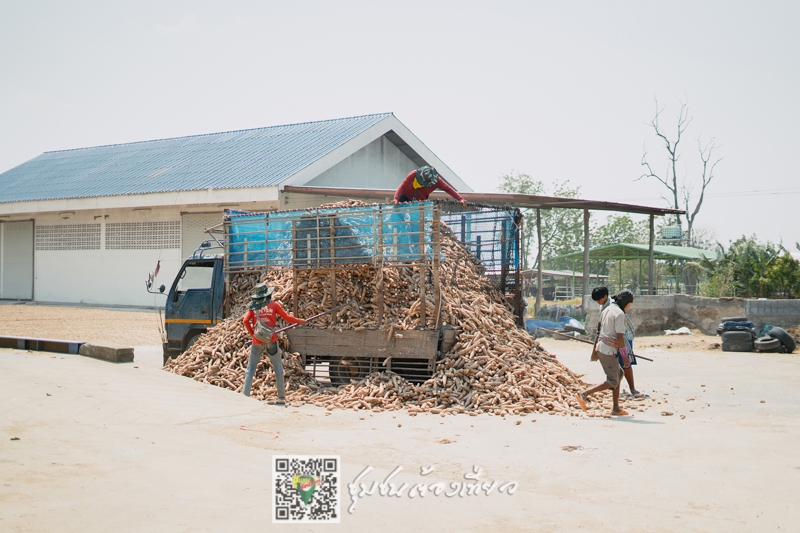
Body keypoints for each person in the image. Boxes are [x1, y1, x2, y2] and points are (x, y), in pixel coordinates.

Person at [242, 283, 306, 404]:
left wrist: (253, 335)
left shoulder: (253, 307)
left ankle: (244, 397)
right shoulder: (274, 305)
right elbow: (287, 318)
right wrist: (299, 321)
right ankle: (281, 397)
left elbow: (245, 321)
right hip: (271, 340)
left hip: (257, 342)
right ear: (268, 294)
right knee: (278, 368)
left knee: (250, 369)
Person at [575, 289, 633, 416]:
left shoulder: (607, 309)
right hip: (607, 350)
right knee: (613, 380)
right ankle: (583, 394)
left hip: (603, 347)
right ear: (625, 303)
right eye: (629, 305)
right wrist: (625, 356)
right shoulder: (619, 314)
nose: (629, 307)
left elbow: (599, 329)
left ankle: (616, 408)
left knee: (619, 374)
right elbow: (619, 337)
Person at [593, 288, 643, 399]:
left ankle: (632, 388)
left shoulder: (614, 308)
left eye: (598, 300)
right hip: (611, 339)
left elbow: (620, 334)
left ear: (605, 297)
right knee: (617, 369)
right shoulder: (605, 307)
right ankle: (615, 403)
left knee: (625, 363)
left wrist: (624, 353)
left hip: (622, 338)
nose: (598, 303)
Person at [392, 166, 468, 206]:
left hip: (419, 202)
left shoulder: (437, 181)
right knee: (399, 216)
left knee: (416, 221)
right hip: (404, 197)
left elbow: (448, 189)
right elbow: (402, 186)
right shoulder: (413, 174)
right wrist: (396, 199)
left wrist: (460, 199)